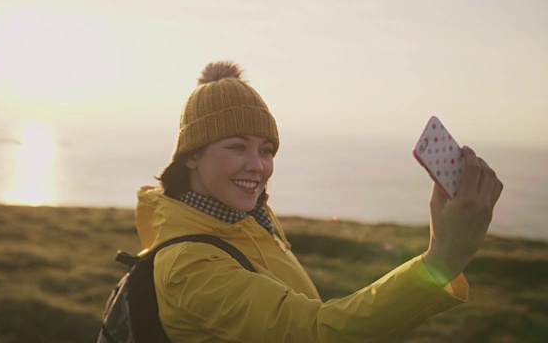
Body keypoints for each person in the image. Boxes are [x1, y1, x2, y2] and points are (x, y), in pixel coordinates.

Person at [132, 61, 503, 342]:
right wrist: (442, 261)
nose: (258, 167)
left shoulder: (242, 217)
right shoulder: (189, 266)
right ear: (192, 156)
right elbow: (317, 331)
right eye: (236, 147)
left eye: (267, 150)